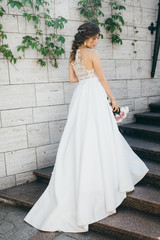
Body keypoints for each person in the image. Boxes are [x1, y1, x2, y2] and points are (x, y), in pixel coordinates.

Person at [24, 22, 149, 233]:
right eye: (95, 38)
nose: (97, 41)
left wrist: (84, 77)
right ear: (88, 37)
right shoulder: (93, 54)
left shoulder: (73, 55)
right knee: (101, 135)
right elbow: (101, 78)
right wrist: (113, 99)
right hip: (94, 95)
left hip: (81, 96)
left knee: (81, 136)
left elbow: (72, 79)